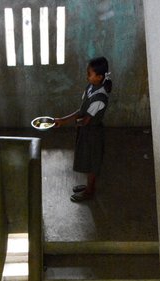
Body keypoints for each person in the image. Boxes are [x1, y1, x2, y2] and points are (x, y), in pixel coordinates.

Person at [53, 56, 112, 202]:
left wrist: (68, 122)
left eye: (90, 73)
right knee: (87, 159)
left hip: (93, 133)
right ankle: (88, 186)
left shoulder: (100, 97)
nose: (87, 75)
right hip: (87, 130)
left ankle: (89, 191)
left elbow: (84, 120)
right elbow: (81, 110)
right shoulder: (91, 87)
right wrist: (62, 120)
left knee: (92, 162)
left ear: (99, 77)